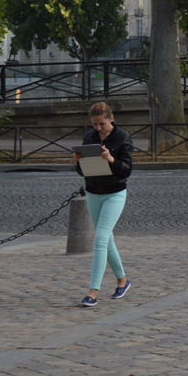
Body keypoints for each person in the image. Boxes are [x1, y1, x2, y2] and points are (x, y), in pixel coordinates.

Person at [72, 102, 133, 307]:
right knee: (107, 242)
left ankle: (93, 291)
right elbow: (83, 172)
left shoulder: (122, 137)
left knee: (99, 240)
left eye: (102, 124)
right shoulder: (89, 137)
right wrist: (78, 161)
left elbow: (126, 171)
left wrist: (111, 159)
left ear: (111, 118)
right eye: (95, 124)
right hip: (92, 192)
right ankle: (122, 280)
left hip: (114, 194)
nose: (98, 128)